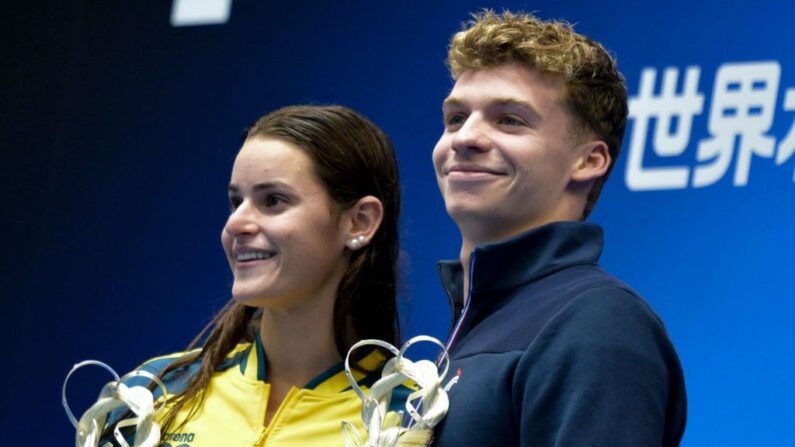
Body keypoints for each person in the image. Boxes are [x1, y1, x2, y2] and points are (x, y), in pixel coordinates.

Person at [429, 10, 687, 446]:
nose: (464, 138)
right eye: (455, 118)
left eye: (509, 119)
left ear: (589, 160)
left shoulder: (598, 324)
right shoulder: (476, 322)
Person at [101, 105, 406, 446]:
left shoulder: (407, 416)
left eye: (273, 200)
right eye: (236, 201)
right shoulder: (151, 393)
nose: (235, 224)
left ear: (359, 222)